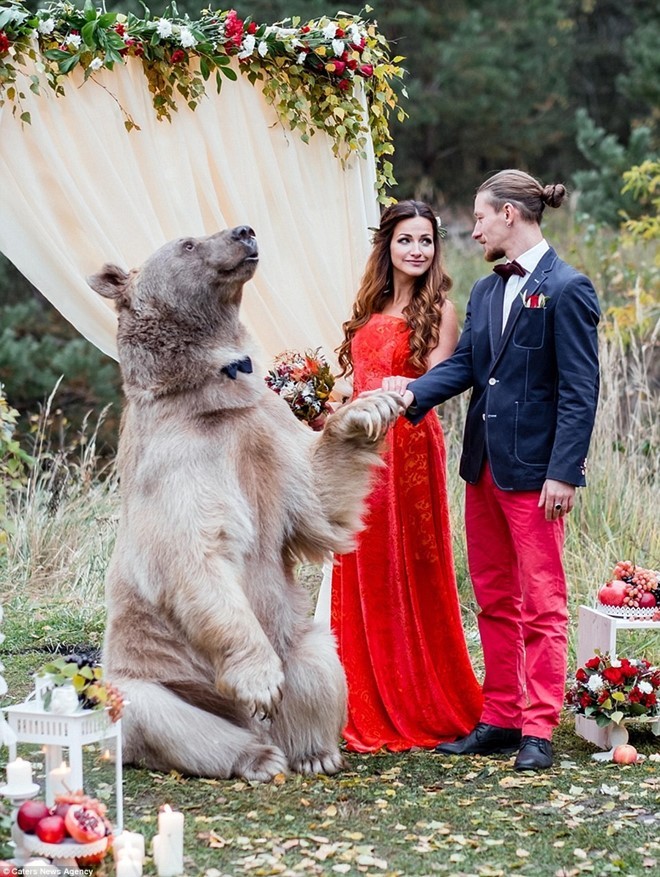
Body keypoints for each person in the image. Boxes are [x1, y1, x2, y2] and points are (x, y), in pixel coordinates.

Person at [385, 170, 600, 771]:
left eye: (479, 217)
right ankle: (501, 719)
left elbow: (581, 392)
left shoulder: (568, 288)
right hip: (482, 468)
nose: (472, 228)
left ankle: (538, 730)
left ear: (509, 214)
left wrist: (565, 471)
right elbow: (470, 369)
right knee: (495, 598)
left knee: (543, 603)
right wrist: (410, 396)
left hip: (538, 475)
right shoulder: (485, 291)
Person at [331, 199, 483, 753]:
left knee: (408, 564)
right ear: (388, 247)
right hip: (359, 443)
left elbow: (441, 376)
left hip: (408, 442)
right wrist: (316, 393)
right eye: (406, 240)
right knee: (360, 558)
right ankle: (357, 691)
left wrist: (394, 391)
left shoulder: (440, 308)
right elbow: (356, 379)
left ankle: (417, 693)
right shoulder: (369, 305)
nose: (417, 250)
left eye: (425, 241)